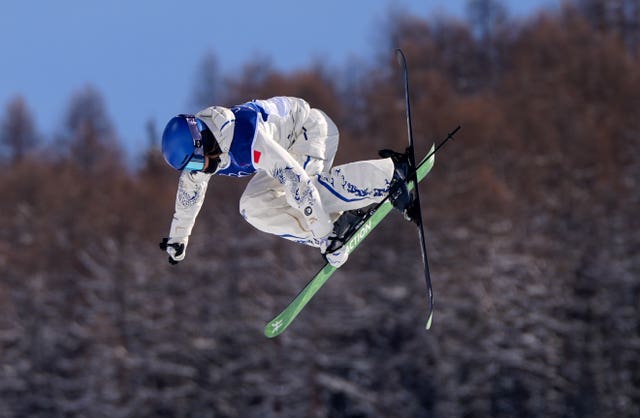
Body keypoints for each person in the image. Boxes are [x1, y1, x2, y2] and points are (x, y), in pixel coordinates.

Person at [159, 96, 413, 268]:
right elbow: (189, 196)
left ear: (201, 140)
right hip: (286, 152)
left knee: (301, 194)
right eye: (190, 167)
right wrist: (178, 238)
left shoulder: (247, 138)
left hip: (309, 132)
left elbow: (296, 181)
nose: (198, 169)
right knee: (252, 206)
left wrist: (325, 235)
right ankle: (337, 224)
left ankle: (388, 176)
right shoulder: (207, 151)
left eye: (195, 162)